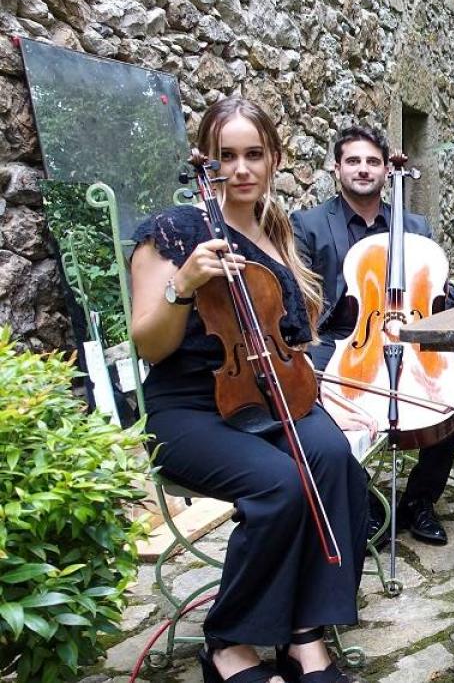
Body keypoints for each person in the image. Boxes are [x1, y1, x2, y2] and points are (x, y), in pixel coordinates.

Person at [129, 97, 368, 683]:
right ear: (204, 162)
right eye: (225, 156)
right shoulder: (175, 230)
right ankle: (229, 641)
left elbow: (290, 332)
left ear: (274, 159)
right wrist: (182, 287)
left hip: (267, 393)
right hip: (189, 407)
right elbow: (150, 345)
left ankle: (305, 634)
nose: (240, 169)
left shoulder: (275, 232)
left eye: (253, 155)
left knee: (337, 462)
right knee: (282, 485)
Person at [291, 125, 454, 546]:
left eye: (372, 162)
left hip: (408, 333)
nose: (363, 169)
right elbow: (301, 296)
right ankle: (362, 496)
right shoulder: (308, 225)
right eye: (354, 161)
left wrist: (428, 309)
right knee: (307, 384)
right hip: (341, 337)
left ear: (385, 170)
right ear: (336, 167)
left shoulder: (414, 226)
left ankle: (420, 499)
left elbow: (441, 294)